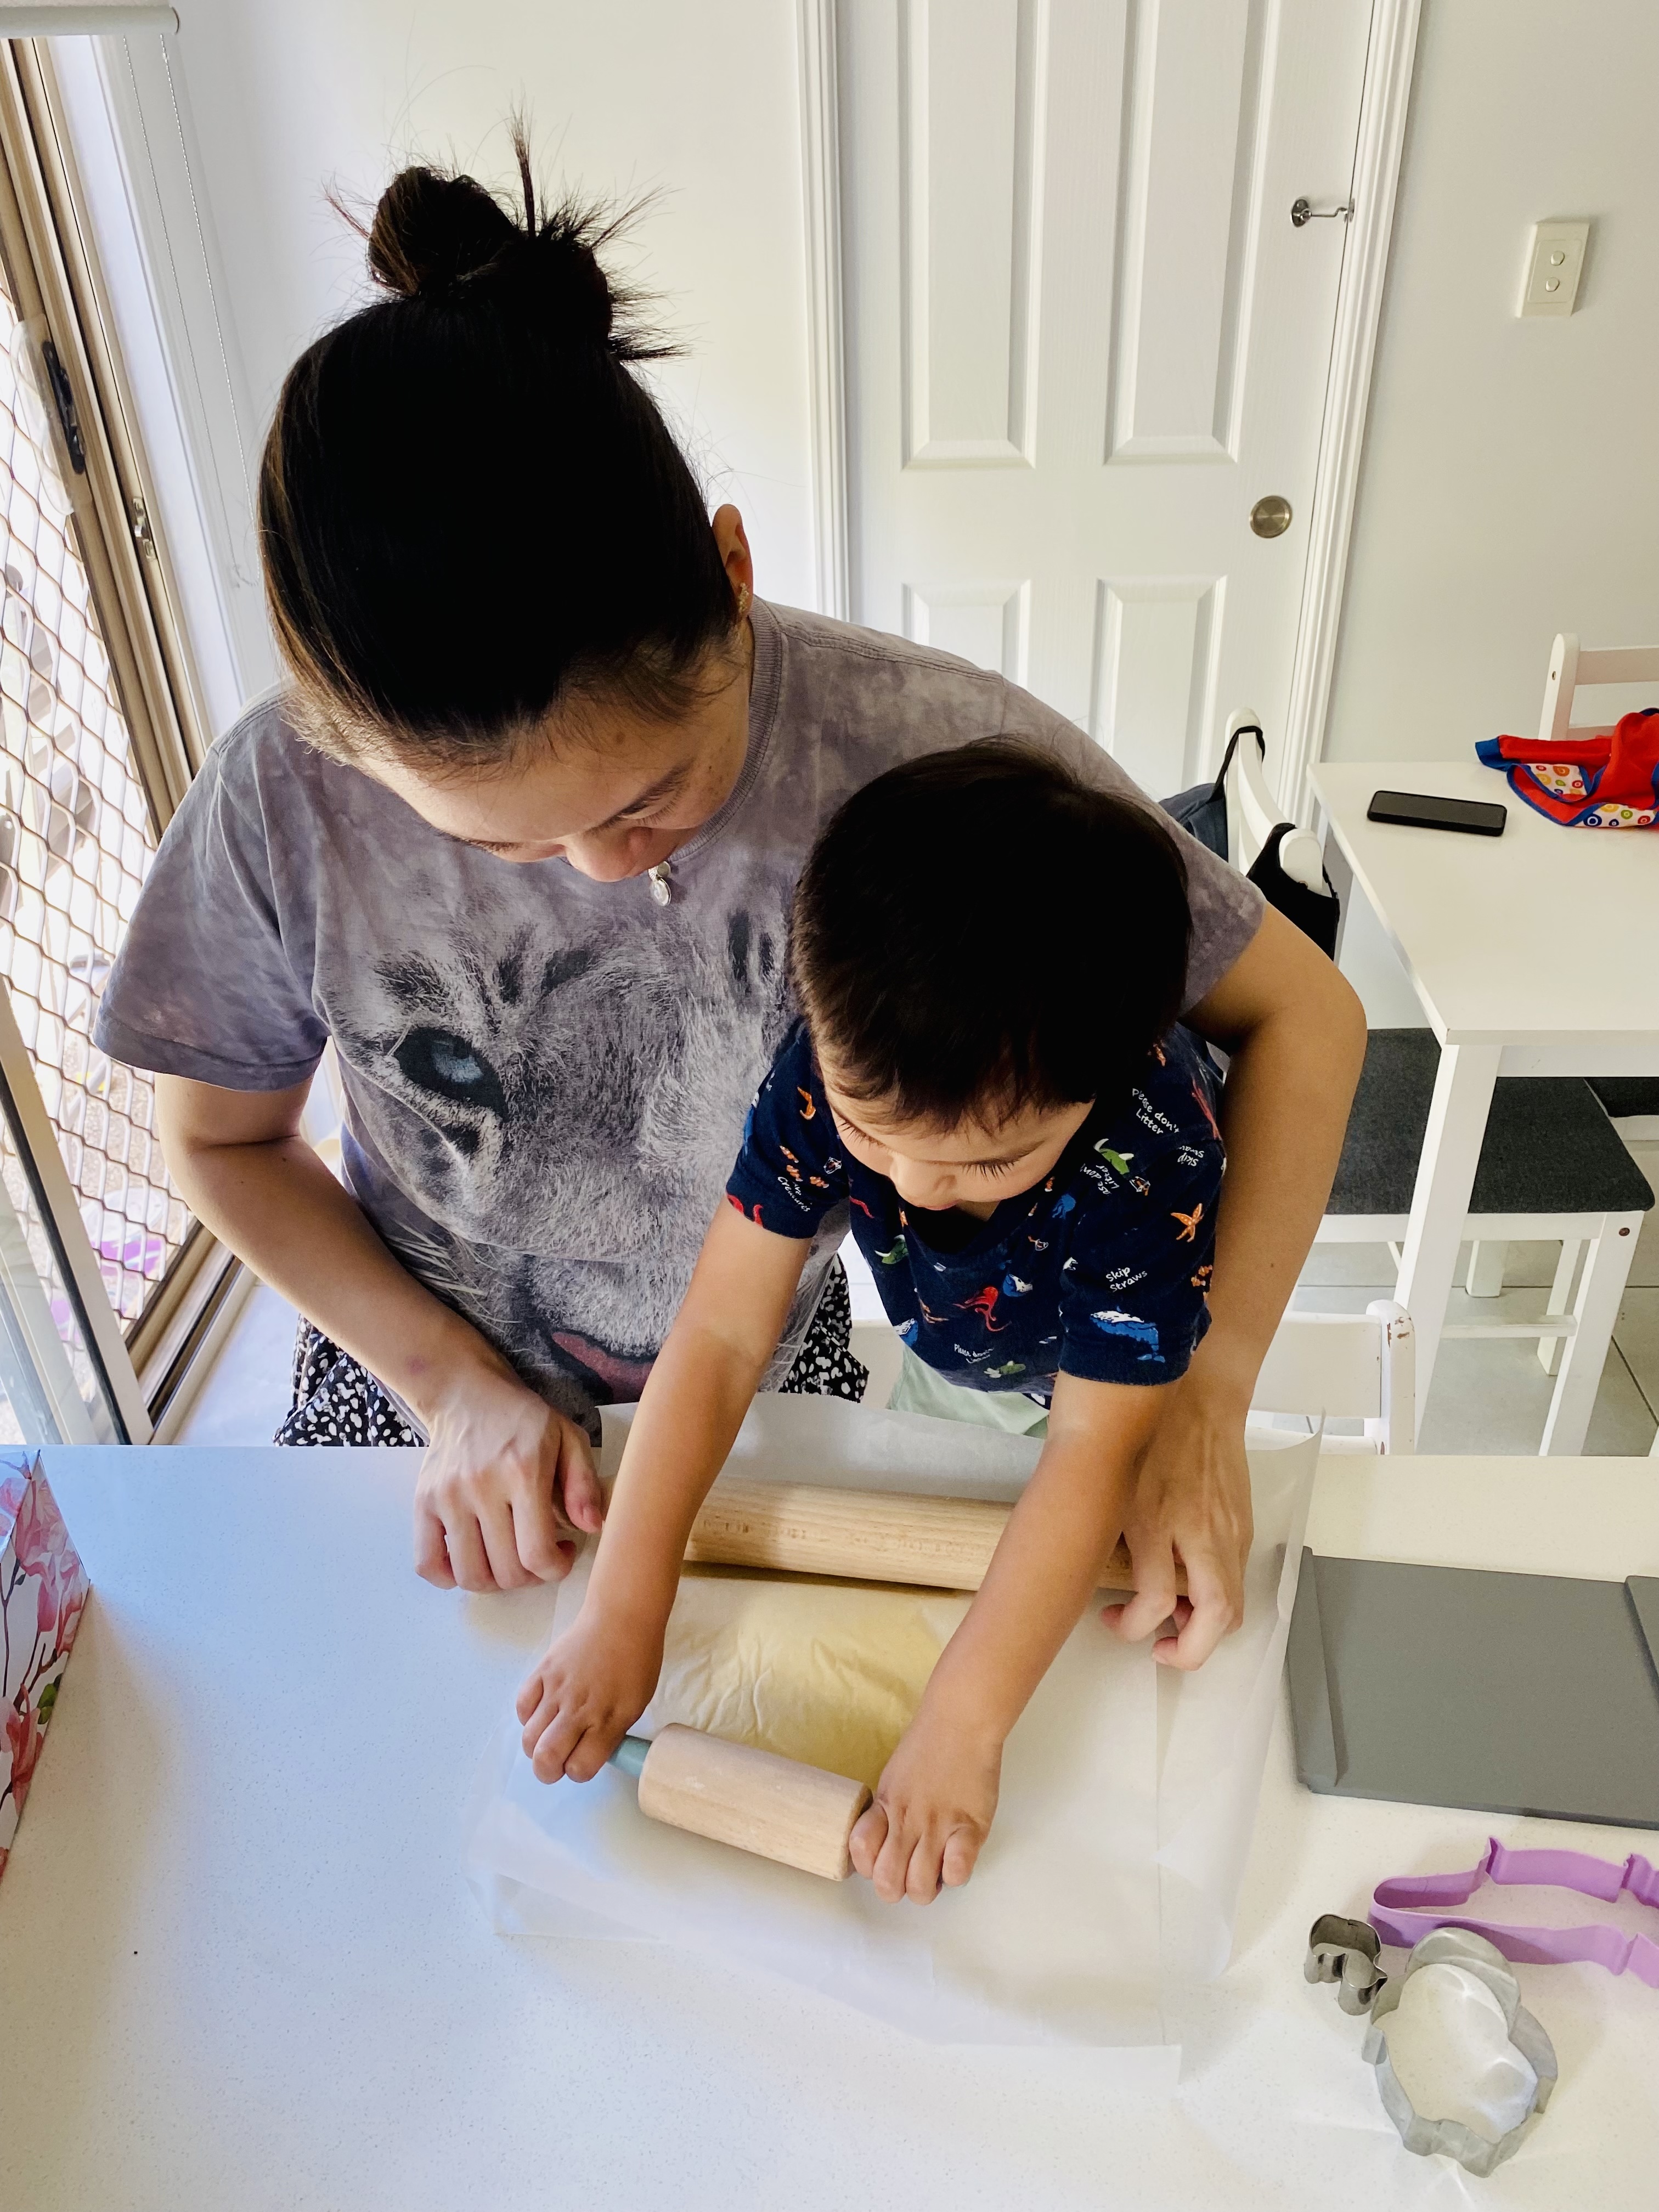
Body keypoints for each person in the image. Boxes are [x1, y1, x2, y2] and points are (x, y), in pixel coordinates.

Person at [94, 142, 1365, 1666]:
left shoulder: (927, 751)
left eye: (651, 798)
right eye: (501, 849)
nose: (608, 873)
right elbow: (221, 1142)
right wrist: (449, 1386)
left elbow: (1304, 1009)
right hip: (416, 1367)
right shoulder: (278, 800)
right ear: (344, 744)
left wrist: (1209, 1397)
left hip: (764, 1354)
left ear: (733, 572)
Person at [516, 744, 1224, 1902]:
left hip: (1108, 1376)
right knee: (950, 1436)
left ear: (1107, 1084)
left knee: (1084, 1512)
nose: (916, 1182)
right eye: (870, 1132)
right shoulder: (825, 1070)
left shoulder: (1152, 1151)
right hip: (965, 1355)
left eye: (988, 1160)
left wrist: (964, 1724)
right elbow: (723, 1338)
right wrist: (625, 1603)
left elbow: (1094, 1449)